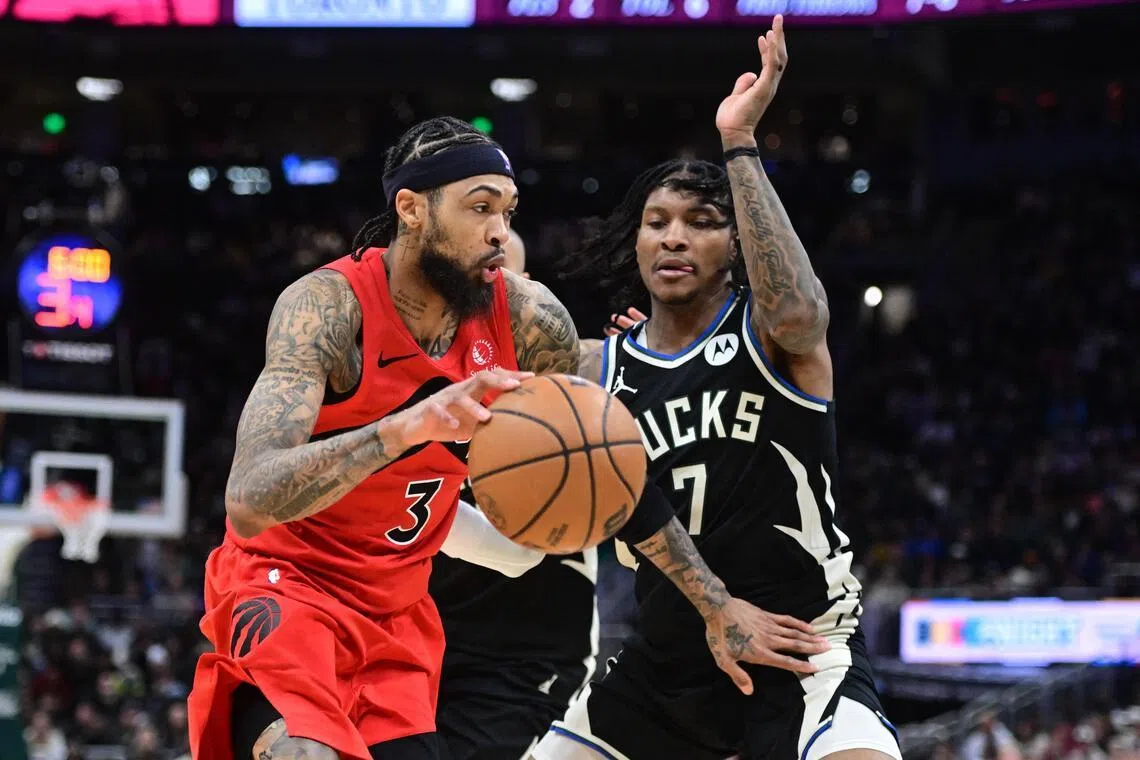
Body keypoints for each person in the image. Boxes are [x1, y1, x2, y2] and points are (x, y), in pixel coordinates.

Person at [187, 115, 825, 760]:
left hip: (397, 611)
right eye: (480, 208)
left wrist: (716, 607)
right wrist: (406, 428)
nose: (500, 231)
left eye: (509, 210)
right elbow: (248, 495)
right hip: (286, 583)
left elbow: (609, 476)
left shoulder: (529, 317)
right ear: (411, 208)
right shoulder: (328, 307)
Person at [532, 18, 902, 760]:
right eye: (656, 222)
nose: (673, 238)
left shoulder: (774, 336)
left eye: (700, 223)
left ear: (736, 243)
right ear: (633, 243)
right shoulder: (598, 369)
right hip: (665, 665)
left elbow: (799, 308)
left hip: (804, 647)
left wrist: (738, 142)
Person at [431, 230, 600, 760]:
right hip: (415, 646)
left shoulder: (580, 380)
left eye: (504, 281)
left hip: (523, 663)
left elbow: (518, 556)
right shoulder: (404, 376)